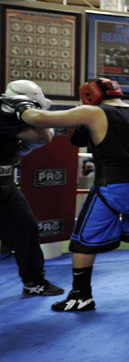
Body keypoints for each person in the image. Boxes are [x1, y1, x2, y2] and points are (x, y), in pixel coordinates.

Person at [15, 77, 129, 312]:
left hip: (113, 187)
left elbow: (39, 119)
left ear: (89, 95)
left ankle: (81, 296)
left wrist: (19, 104)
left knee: (82, 241)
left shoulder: (93, 112)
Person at [0, 80, 64, 297]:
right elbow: (45, 135)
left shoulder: (11, 116)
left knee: (26, 230)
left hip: (5, 184)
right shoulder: (3, 114)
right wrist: (27, 109)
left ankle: (33, 282)